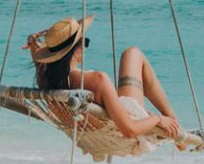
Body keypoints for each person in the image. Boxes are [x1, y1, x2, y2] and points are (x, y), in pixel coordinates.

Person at [24, 15, 184, 149]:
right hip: (125, 131)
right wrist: (157, 119)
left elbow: (39, 61)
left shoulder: (44, 78)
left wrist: (34, 43)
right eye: (84, 42)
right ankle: (175, 123)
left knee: (131, 55)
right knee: (133, 53)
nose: (85, 48)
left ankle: (175, 123)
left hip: (93, 135)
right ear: (75, 49)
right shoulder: (97, 80)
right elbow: (129, 130)